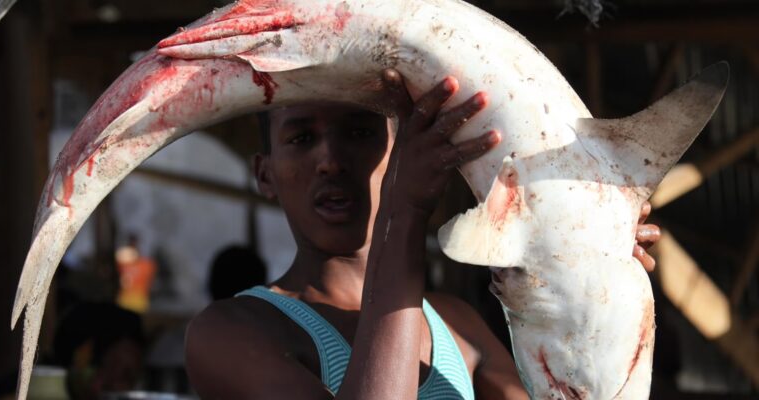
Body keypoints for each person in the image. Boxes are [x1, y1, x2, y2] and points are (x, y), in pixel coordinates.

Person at [183, 69, 660, 399]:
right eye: (301, 138)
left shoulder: (455, 323)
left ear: (403, 151)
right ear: (265, 174)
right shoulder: (231, 331)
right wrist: (404, 212)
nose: (329, 160)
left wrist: (592, 279)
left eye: (359, 132)